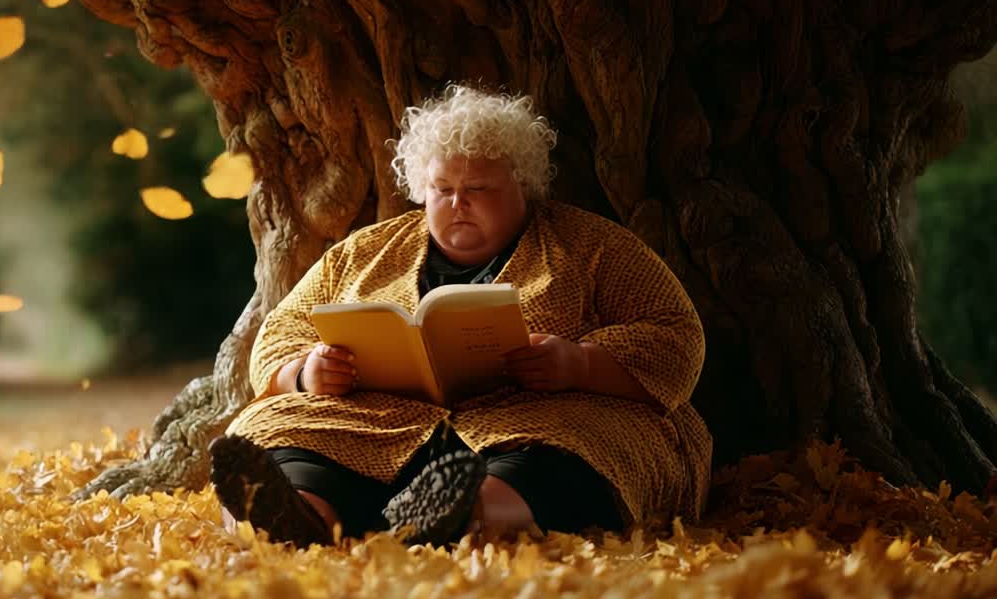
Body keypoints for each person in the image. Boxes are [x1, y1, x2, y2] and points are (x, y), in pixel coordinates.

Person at [210, 84, 712, 547]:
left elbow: (675, 335)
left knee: (566, 457)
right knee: (272, 431)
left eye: (479, 189)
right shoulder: (365, 252)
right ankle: (294, 515)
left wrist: (579, 363)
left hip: (532, 426)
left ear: (522, 183)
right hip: (371, 428)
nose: (457, 203)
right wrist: (305, 372)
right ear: (420, 189)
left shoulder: (591, 245)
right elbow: (282, 331)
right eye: (442, 189)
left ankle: (465, 513)